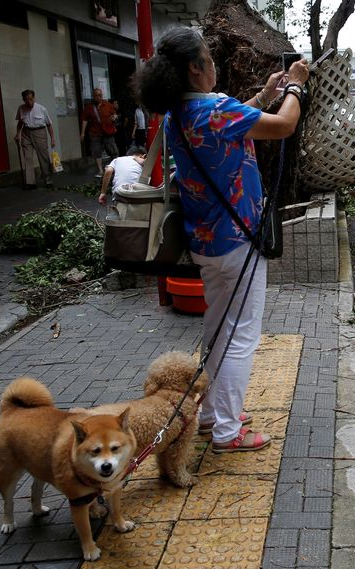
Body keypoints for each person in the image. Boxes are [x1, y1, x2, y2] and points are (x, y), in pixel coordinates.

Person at [133, 27, 309, 453]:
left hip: (206, 242)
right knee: (241, 335)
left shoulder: (180, 114)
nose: (213, 65)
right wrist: (296, 89)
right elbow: (284, 126)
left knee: (217, 329)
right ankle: (227, 431)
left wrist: (267, 93)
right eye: (209, 59)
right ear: (196, 68)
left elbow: (234, 123)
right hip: (237, 241)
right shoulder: (215, 110)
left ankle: (212, 413)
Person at [14, 89, 56, 189]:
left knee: (43, 157)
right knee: (27, 158)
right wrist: (18, 134)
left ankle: (48, 180)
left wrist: (52, 138)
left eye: (31, 99)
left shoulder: (42, 109)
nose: (29, 102)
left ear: (34, 98)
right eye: (26, 100)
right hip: (26, 133)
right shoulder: (21, 108)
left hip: (39, 132)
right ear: (23, 100)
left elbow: (49, 125)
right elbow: (20, 123)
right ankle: (30, 183)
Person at [80, 88, 119, 176]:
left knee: (113, 151)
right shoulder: (89, 107)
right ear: (93, 96)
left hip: (108, 132)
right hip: (95, 133)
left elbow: (115, 114)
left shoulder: (107, 105)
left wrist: (114, 117)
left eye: (100, 95)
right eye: (96, 95)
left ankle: (114, 169)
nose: (98, 97)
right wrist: (82, 132)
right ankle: (100, 170)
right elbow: (84, 120)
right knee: (96, 151)